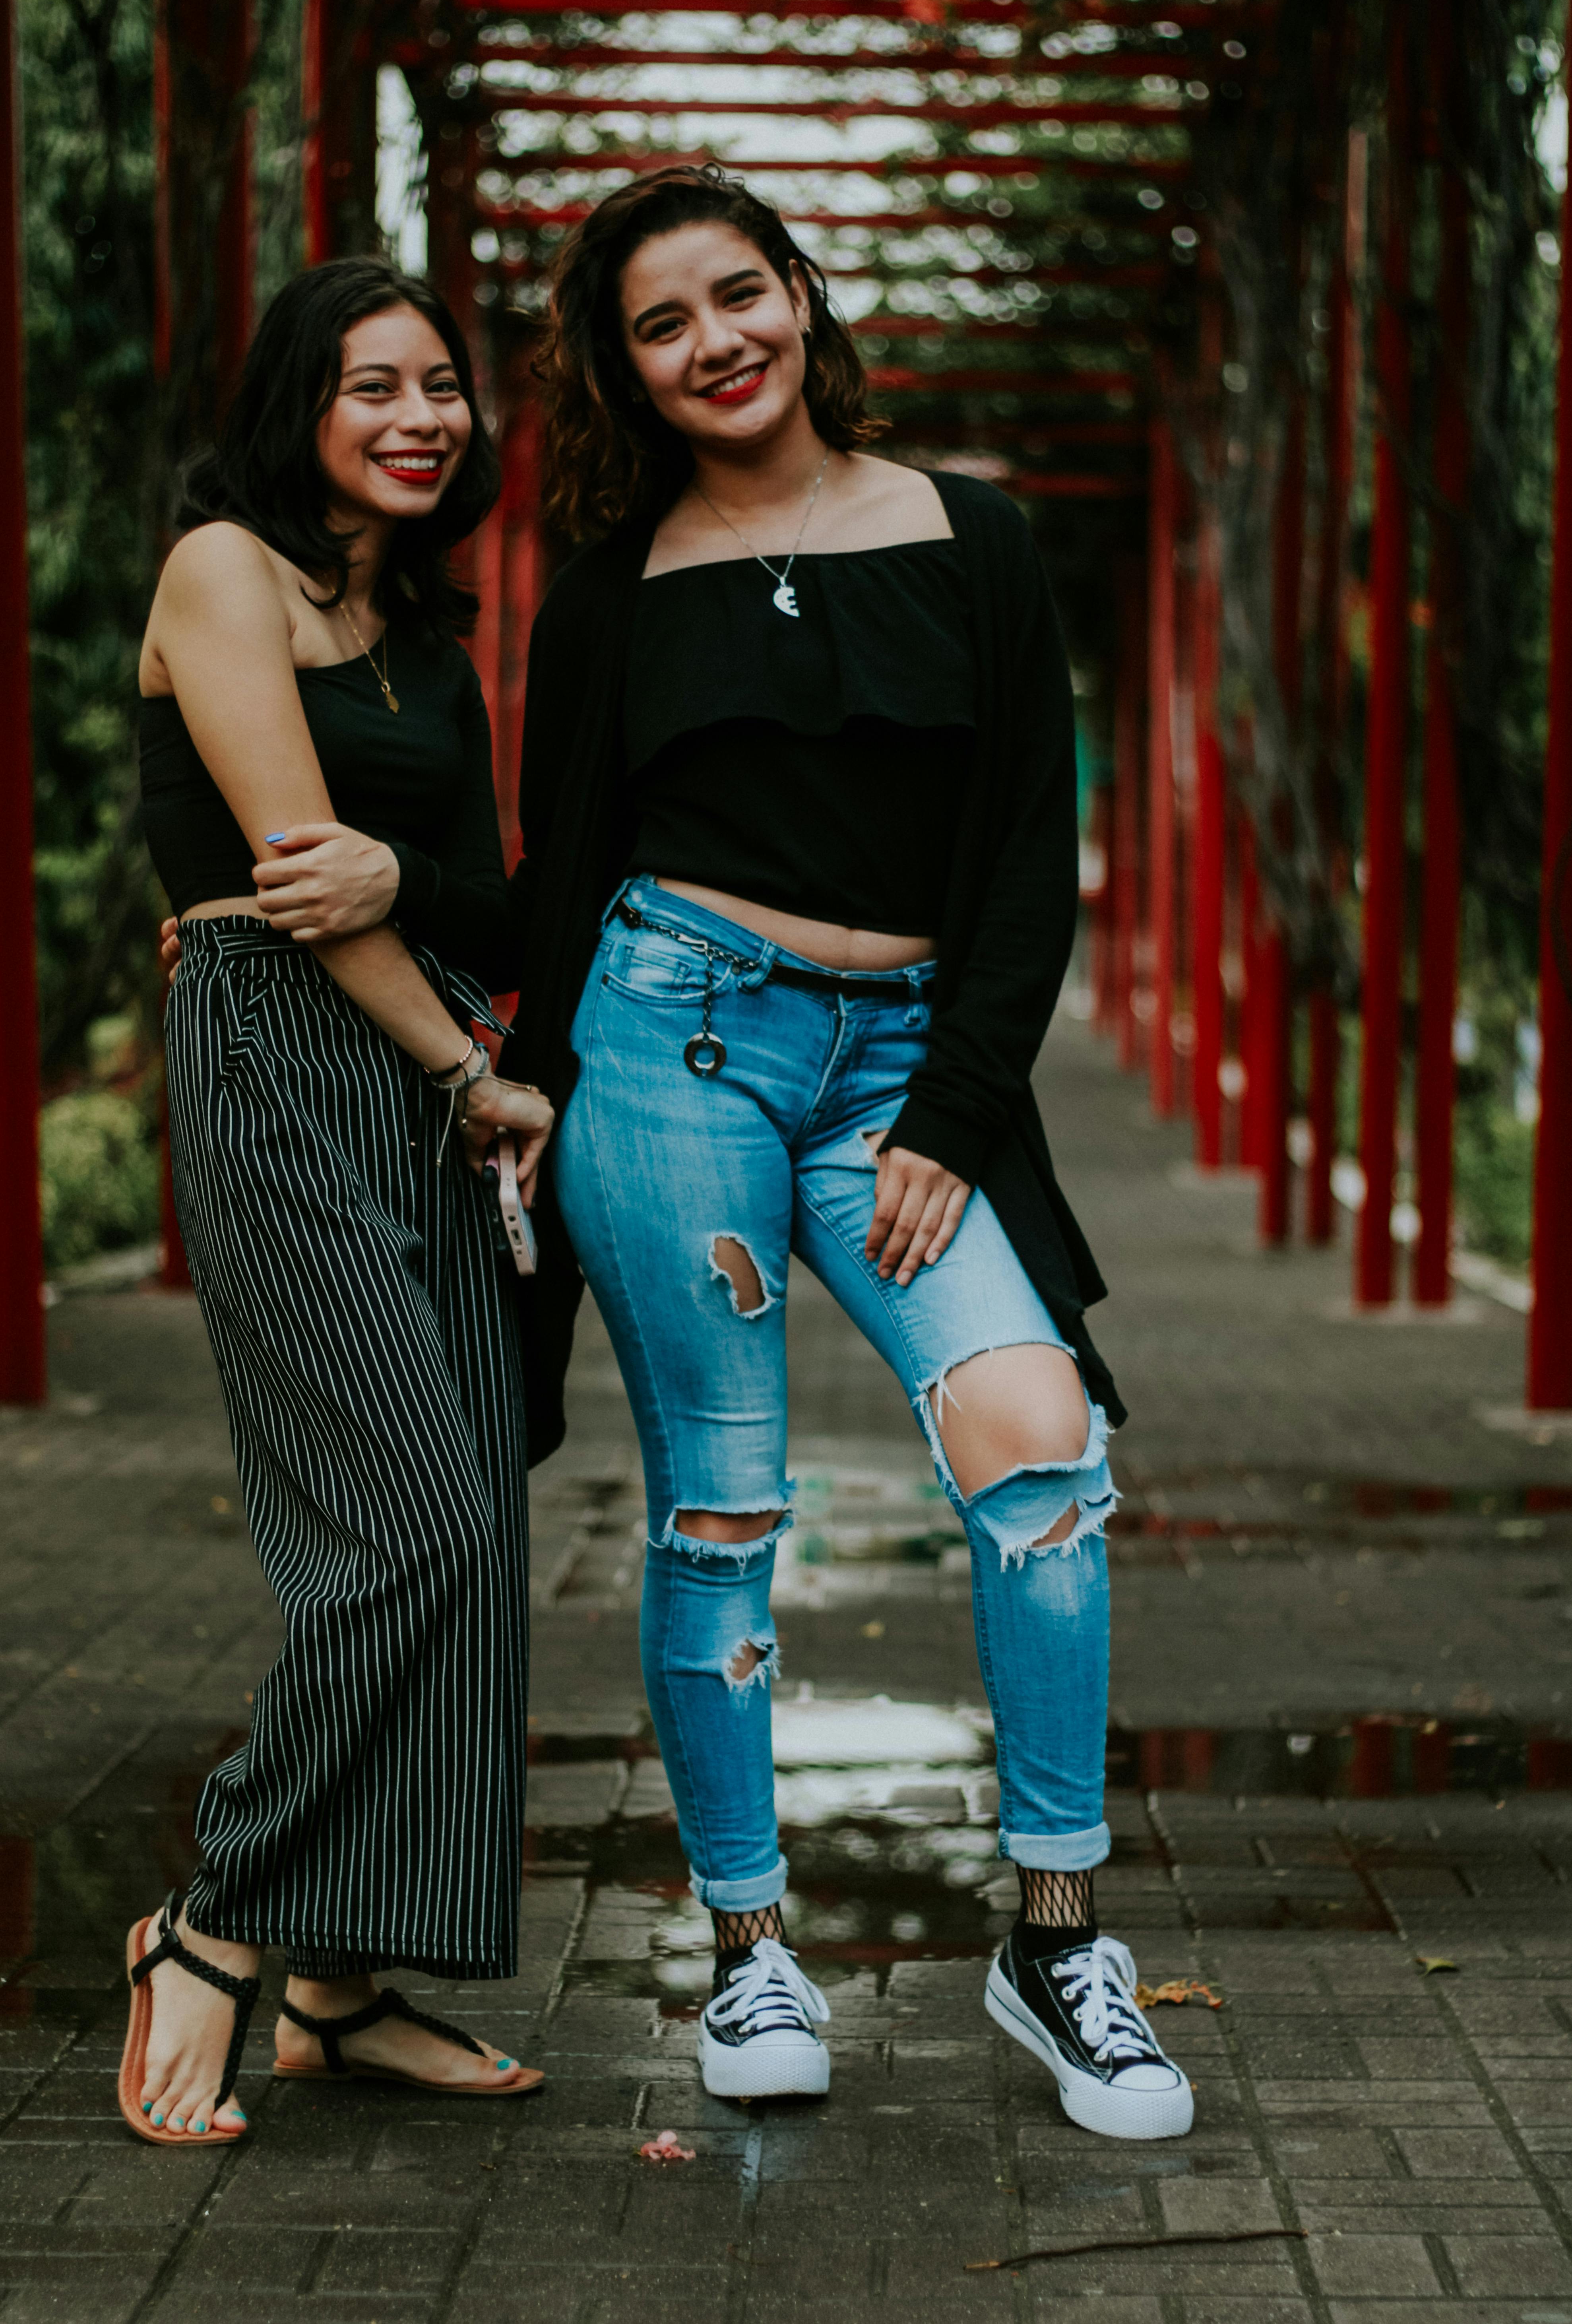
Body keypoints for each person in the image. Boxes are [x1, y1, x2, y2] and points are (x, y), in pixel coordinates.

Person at [502, 164, 1194, 2141]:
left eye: (739, 295)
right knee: (718, 1506)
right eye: (660, 323)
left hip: (905, 1073)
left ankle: (1057, 1940)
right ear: (622, 370)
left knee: (1034, 1438)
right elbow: (561, 878)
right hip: (669, 1051)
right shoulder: (609, 599)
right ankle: (746, 1951)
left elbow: (1026, 858)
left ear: (801, 297)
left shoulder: (970, 539)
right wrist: (511, 1076)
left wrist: (960, 1111)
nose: (713, 341)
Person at [124, 258, 552, 2147]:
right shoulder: (227, 570)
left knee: (478, 1532)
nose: (418, 414)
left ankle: (343, 1978)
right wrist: (467, 1065)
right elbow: (309, 884)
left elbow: (476, 901)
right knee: (404, 1521)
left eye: (445, 385)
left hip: (426, 1083)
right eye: (372, 382)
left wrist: (439, 973)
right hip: (288, 1055)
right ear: (300, 400)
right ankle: (215, 1922)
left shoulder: (428, 646)